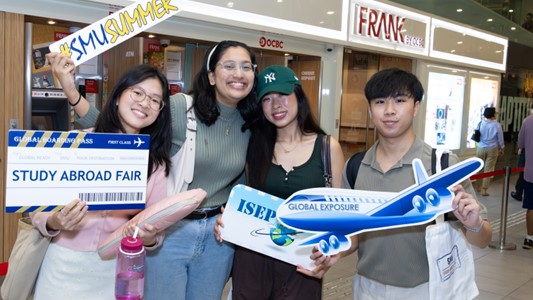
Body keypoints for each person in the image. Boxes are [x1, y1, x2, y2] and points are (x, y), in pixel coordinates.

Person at [65, 40, 259, 299]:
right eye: (229, 66)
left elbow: (244, 179)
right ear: (211, 76)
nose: (238, 74)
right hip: (169, 232)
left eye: (246, 67)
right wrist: (72, 94)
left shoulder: (253, 122)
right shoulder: (182, 108)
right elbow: (122, 131)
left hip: (218, 237)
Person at [301, 68, 492, 298]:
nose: (389, 110)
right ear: (370, 110)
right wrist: (338, 249)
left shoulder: (441, 164)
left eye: (400, 100)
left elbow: (483, 239)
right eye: (380, 102)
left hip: (425, 290)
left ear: (416, 107)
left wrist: (474, 224)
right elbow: (354, 234)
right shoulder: (356, 166)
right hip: (367, 288)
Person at [31, 57, 172, 299]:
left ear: (159, 112)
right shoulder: (79, 143)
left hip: (117, 269)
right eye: (137, 93)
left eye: (155, 100)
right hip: (63, 264)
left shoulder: (156, 165)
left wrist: (150, 238)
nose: (145, 103)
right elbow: (37, 210)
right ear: (118, 97)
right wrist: (55, 221)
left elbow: (156, 229)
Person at [215, 65, 345, 299]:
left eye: (283, 95)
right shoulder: (254, 146)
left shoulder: (327, 148)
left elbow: (341, 214)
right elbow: (242, 198)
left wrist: (331, 249)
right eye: (267, 99)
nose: (276, 105)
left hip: (301, 262)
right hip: (254, 260)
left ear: (298, 95)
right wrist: (227, 220)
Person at [475, 106, 504, 196]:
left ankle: (478, 187)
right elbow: (500, 138)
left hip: (480, 148)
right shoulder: (497, 125)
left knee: (480, 167)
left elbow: (476, 136)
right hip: (492, 148)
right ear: (492, 115)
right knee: (488, 169)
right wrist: (502, 148)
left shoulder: (480, 123)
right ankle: (484, 189)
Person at [517, 113, 533, 249]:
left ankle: (529, 238)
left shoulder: (527, 121)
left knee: (531, 206)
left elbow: (520, 143)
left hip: (530, 172)